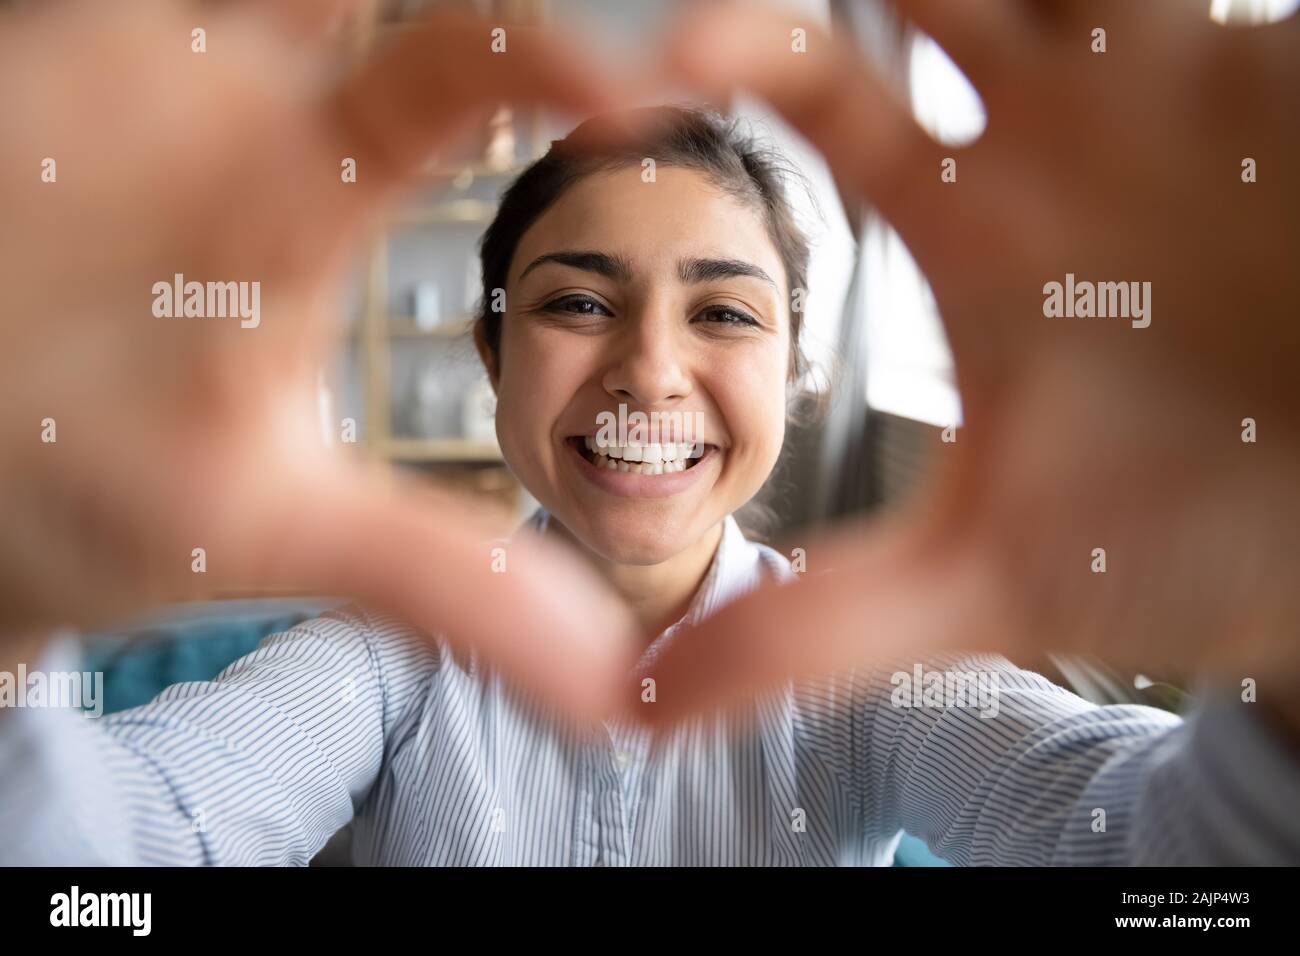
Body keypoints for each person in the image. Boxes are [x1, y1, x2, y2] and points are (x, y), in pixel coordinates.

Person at [1, 0, 1297, 865]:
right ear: (492, 351)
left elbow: (1144, 852)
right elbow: (125, 842)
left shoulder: (879, 680)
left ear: (795, 376)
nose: (651, 370)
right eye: (577, 301)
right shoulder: (384, 659)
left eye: (724, 313)